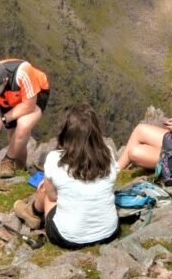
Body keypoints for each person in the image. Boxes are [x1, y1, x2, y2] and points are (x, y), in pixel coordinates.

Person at [12, 104, 119, 249]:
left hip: (68, 237)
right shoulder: (108, 153)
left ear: (65, 133)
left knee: (46, 189)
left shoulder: (55, 159)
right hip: (109, 233)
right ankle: (32, 211)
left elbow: (52, 196)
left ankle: (33, 212)